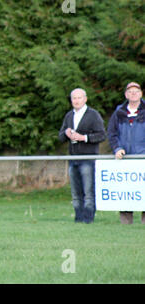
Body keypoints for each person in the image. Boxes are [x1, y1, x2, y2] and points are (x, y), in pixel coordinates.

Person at [58, 88, 106, 224]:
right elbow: (60, 137)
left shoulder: (93, 115)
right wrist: (66, 133)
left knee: (88, 191)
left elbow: (102, 135)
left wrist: (83, 137)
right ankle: (78, 218)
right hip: (73, 158)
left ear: (85, 99)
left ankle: (88, 219)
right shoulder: (69, 116)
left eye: (79, 98)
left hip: (88, 158)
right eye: (74, 98)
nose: (76, 101)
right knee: (75, 192)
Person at [107, 81, 145, 224]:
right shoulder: (119, 112)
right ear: (126, 94)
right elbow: (112, 133)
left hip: (143, 158)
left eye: (136, 91)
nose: (133, 94)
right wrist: (117, 148)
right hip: (125, 160)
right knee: (126, 191)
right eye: (130, 91)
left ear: (141, 94)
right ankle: (125, 223)